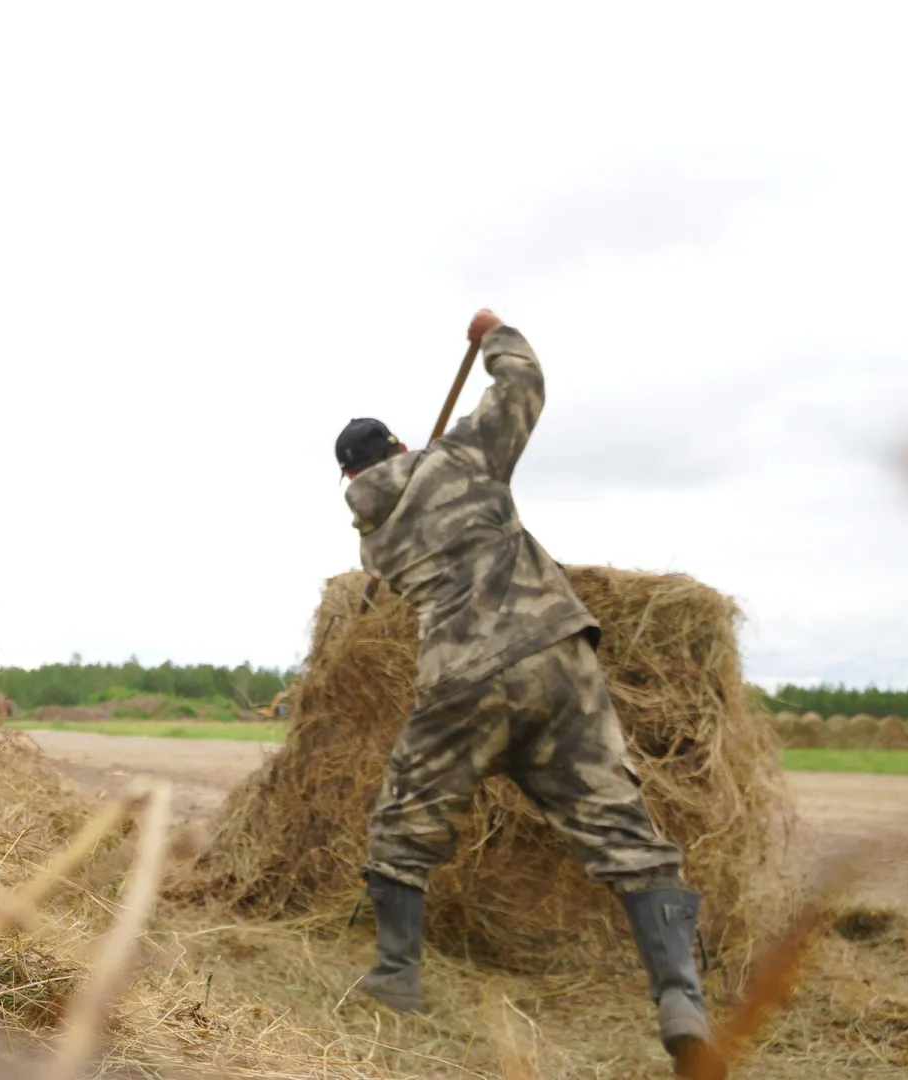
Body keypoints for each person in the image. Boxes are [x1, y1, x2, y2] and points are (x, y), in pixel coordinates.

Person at [334, 310, 721, 1079]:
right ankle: (681, 997)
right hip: (554, 660)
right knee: (622, 830)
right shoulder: (458, 460)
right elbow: (524, 383)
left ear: (348, 479)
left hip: (464, 680)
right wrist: (497, 335)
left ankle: (395, 976)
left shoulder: (373, 537)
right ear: (401, 446)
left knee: (404, 821)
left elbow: (389, 508)